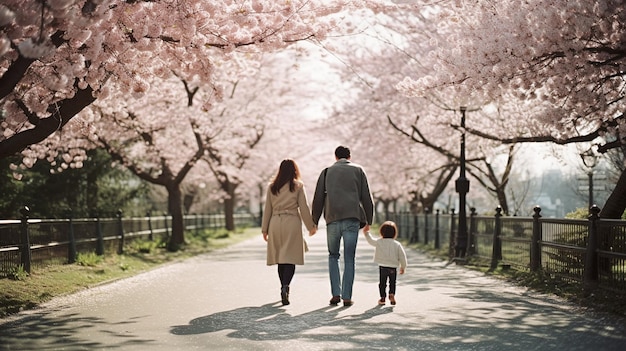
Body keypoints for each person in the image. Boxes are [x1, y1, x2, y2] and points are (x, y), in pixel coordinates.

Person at [311, 145, 374, 307]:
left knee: (333, 256)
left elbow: (318, 198)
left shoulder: (326, 172)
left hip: (332, 219)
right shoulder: (358, 170)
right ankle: (347, 296)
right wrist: (369, 220)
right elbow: (366, 197)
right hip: (352, 219)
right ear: (349, 156)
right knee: (349, 258)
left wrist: (314, 221)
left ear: (335, 156)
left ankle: (335, 294)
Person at [262, 159, 317, 306]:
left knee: (281, 257)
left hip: (275, 223)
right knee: (290, 257)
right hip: (291, 222)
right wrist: (311, 226)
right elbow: (304, 207)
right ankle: (286, 286)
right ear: (294, 170)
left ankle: (282, 286)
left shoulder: (272, 187)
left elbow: (267, 208)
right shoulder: (298, 186)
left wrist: (264, 229)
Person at [363, 221, 407, 305]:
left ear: (381, 232)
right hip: (393, 267)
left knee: (382, 283)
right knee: (392, 282)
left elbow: (371, 241)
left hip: (383, 267)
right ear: (394, 233)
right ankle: (392, 294)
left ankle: (382, 298)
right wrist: (403, 267)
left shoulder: (379, 242)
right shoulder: (397, 244)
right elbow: (402, 256)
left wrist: (366, 233)